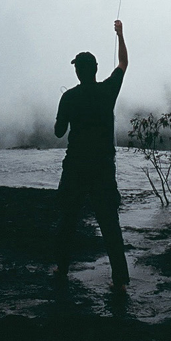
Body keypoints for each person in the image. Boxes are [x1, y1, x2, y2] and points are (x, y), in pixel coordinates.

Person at [54, 19, 129, 292]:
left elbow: (59, 132)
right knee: (110, 224)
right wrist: (120, 35)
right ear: (96, 70)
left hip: (74, 167)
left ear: (77, 73)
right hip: (102, 168)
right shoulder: (107, 91)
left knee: (67, 220)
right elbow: (123, 64)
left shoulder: (69, 98)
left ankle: (61, 268)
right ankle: (119, 279)